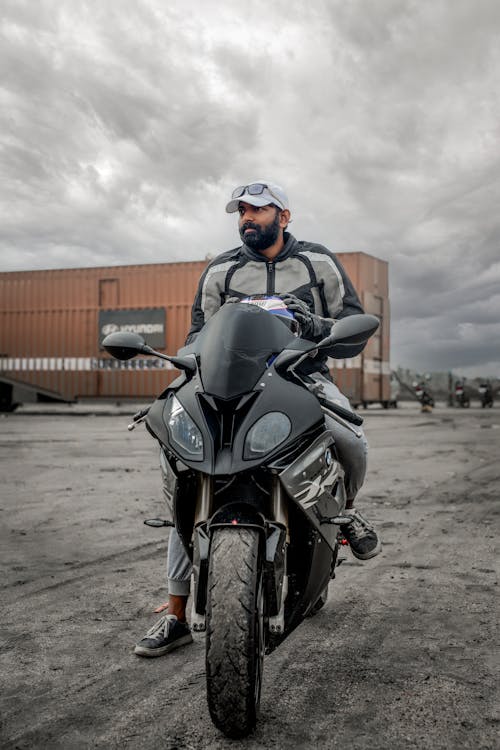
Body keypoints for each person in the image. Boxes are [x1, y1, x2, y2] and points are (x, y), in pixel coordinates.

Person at [134, 180, 381, 657]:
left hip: (300, 377)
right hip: (230, 387)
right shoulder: (220, 270)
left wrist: (316, 327)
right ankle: (177, 616)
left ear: (284, 216)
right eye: (242, 211)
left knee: (351, 440)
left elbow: (351, 331)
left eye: (258, 210)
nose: (247, 218)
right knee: (188, 473)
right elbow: (197, 335)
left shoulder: (317, 262)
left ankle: (342, 509)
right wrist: (186, 376)